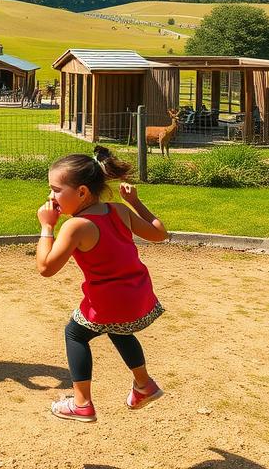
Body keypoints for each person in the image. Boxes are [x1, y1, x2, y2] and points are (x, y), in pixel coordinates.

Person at [36, 146, 169, 423]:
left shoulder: (76, 226)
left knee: (75, 334)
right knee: (118, 329)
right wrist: (137, 203)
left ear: (82, 192)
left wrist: (47, 227)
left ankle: (82, 403)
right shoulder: (119, 211)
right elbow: (159, 234)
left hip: (108, 300)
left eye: (56, 190)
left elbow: (46, 268)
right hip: (139, 296)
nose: (51, 197)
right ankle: (144, 385)